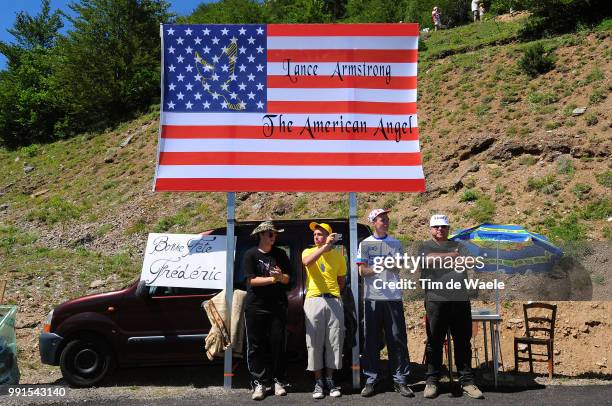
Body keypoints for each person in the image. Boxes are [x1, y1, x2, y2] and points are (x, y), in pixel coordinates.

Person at [420, 214, 484, 399]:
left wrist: (447, 258)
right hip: (436, 300)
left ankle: (467, 382)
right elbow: (428, 261)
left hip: (460, 300)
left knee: (463, 342)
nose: (440, 229)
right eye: (437, 226)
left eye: (444, 227)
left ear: (448, 229)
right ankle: (432, 381)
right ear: (431, 229)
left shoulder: (460, 245)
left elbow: (471, 261)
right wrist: (453, 257)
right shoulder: (425, 247)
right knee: (434, 342)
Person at [357, 209, 413, 398]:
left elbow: (400, 267)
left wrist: (393, 265)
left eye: (387, 219)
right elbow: (362, 271)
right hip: (372, 298)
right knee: (371, 341)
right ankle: (371, 380)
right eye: (382, 219)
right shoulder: (365, 244)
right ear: (374, 222)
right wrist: (379, 266)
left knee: (397, 340)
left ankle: (400, 380)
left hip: (393, 298)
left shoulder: (395, 243)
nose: (386, 221)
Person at [242, 221, 292, 400]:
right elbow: (251, 281)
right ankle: (260, 383)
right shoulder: (250, 255)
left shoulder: (280, 254)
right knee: (256, 346)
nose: (274, 237)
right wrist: (273, 279)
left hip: (277, 305)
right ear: (261, 235)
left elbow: (288, 279)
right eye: (271, 234)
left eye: (275, 234)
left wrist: (280, 277)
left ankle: (279, 380)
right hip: (256, 306)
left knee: (278, 344)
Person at [302, 222, 346, 399]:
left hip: (333, 299)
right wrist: (325, 246)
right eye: (315, 235)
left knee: (334, 342)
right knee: (314, 343)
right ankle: (318, 382)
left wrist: (335, 295)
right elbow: (307, 262)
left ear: (329, 235)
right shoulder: (308, 251)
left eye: (320, 234)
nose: (316, 237)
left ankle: (330, 380)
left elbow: (341, 280)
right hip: (314, 299)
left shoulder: (338, 256)